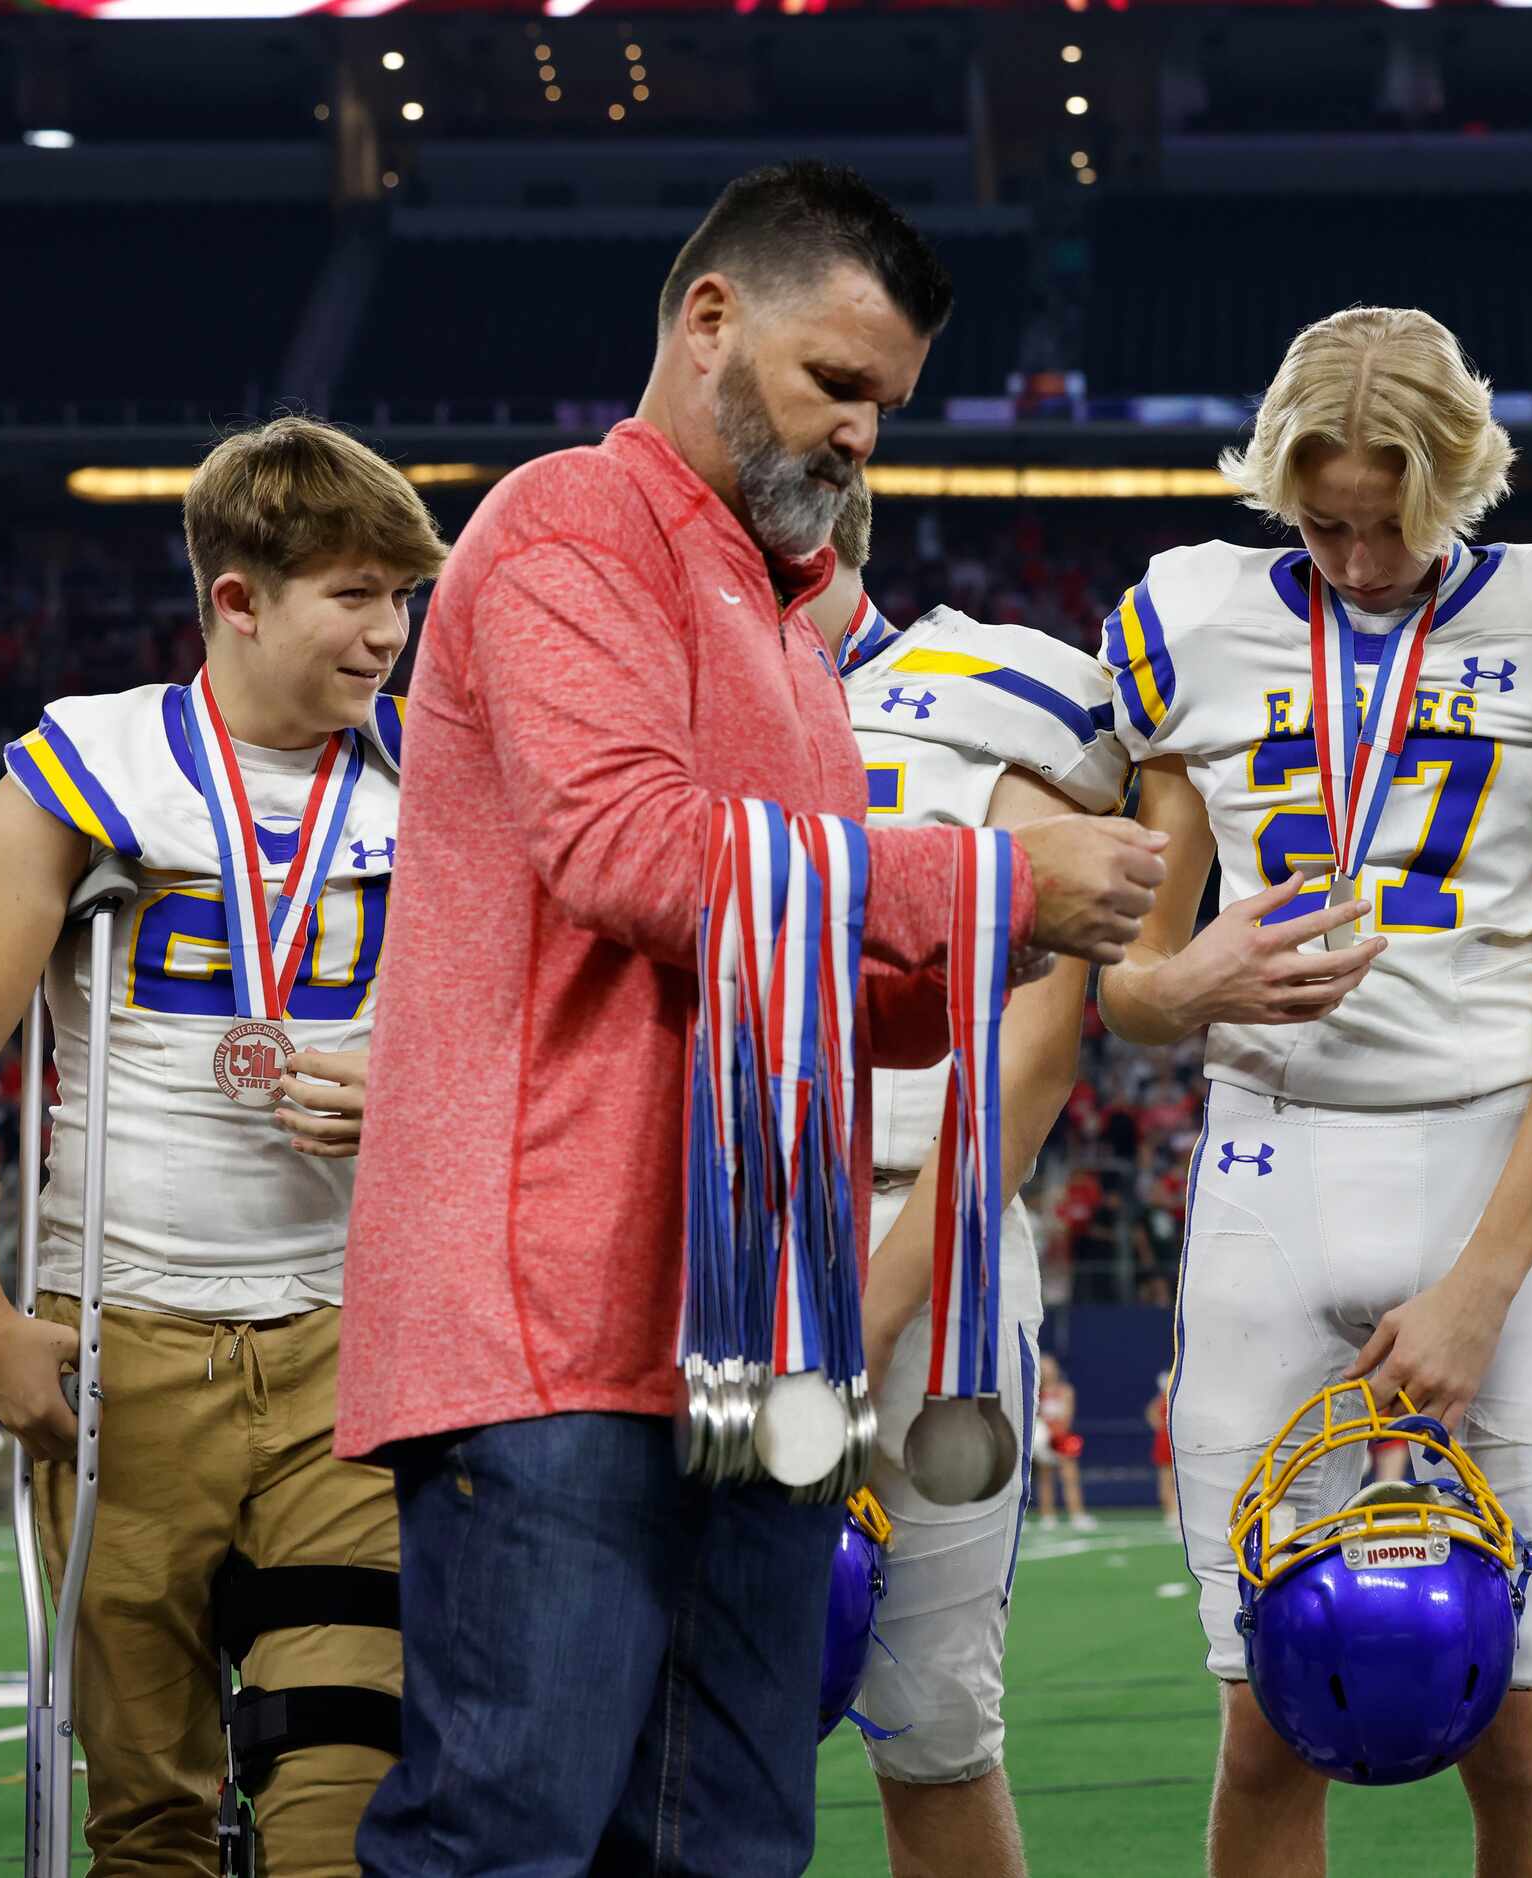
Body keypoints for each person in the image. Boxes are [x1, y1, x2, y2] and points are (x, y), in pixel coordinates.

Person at [336, 163, 1166, 1875]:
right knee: (511, 1832)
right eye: (834, 383)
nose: (863, 434)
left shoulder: (787, 633)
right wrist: (992, 886)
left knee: (724, 1842)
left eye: (886, 404)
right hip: (554, 1322)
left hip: (734, 1337)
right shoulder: (568, 521)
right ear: (709, 317)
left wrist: (1013, 949)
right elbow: (633, 856)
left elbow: (804, 974)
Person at [1099, 303, 1532, 1878]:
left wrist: (1483, 1282)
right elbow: (1125, 987)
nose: (1353, 558)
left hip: (1492, 1167)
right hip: (1268, 1169)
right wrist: (1187, 981)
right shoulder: (1194, 618)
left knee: (1522, 1716)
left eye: (1390, 521)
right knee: (1271, 1720)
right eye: (1322, 519)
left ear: (1462, 480)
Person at [0, 415, 442, 1873]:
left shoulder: (442, 772)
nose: (390, 635)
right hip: (125, 1343)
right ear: (237, 597)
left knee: (336, 1796)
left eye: (403, 596)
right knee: (148, 1813)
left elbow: (538, 1035)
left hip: (349, 1345)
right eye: (353, 595)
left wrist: (412, 1086)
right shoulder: (86, 765)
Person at [816, 484, 1129, 1878]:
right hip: (698, 1232)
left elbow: (1033, 1052)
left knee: (935, 1718)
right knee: (682, 1716)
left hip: (920, 1225)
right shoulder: (661, 705)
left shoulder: (1005, 693)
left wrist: (867, 1311)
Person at [1032, 1351, 1091, 1531]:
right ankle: (1047, 1515)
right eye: (1043, 1367)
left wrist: (1054, 1434)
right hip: (1042, 1440)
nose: (1047, 1370)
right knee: (1045, 1477)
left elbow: (1067, 1416)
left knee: (1070, 1476)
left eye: (1050, 1366)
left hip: (1062, 1438)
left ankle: (1077, 1514)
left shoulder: (1065, 1390)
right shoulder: (1035, 1391)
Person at [1148, 1369, 1177, 1526]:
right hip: (1167, 1441)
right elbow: (1152, 1417)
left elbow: (1151, 1417)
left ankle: (1172, 1512)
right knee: (1167, 1480)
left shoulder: (1162, 1400)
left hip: (1168, 1440)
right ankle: (1171, 1512)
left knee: (1169, 1480)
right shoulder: (1165, 1400)